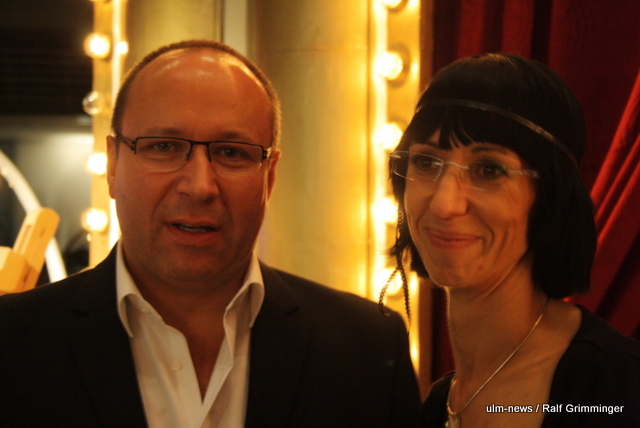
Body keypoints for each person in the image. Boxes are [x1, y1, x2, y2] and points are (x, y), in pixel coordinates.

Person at [0, 39, 421, 427]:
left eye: (231, 153)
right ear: (112, 165)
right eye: (164, 146)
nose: (200, 186)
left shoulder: (366, 347)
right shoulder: (13, 344)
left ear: (270, 176)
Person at [384, 53, 640, 427]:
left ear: (550, 198)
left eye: (489, 170)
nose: (444, 204)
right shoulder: (437, 405)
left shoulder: (616, 388)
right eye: (426, 162)